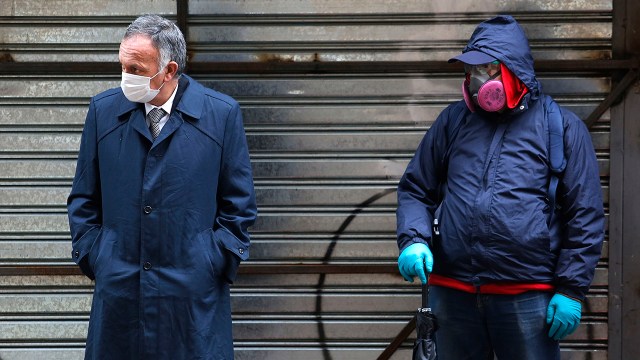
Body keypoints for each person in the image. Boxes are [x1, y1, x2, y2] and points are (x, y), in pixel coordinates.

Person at [396, 15, 604, 359]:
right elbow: (416, 188)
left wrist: (571, 289)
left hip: (526, 295)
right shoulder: (453, 121)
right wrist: (413, 240)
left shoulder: (562, 127)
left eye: (486, 69)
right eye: (471, 71)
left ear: (513, 70)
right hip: (453, 293)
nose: (476, 80)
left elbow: (585, 216)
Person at [67, 14, 257, 359]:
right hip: (121, 288)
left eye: (136, 69)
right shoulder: (103, 111)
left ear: (169, 70)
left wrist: (211, 260)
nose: (126, 77)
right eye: (122, 66)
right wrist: (99, 256)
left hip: (191, 294)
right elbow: (83, 196)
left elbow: (239, 204)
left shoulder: (221, 114)